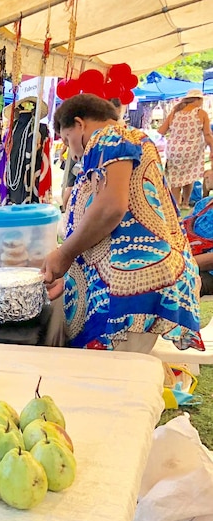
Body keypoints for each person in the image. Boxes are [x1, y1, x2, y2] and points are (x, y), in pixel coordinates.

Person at [42, 94, 203, 353]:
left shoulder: (107, 137)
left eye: (68, 139)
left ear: (80, 124)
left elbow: (110, 208)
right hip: (136, 284)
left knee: (114, 380)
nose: (71, 151)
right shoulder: (128, 139)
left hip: (131, 287)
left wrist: (64, 254)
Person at [158, 89, 213, 210]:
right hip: (192, 151)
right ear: (198, 100)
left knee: (175, 179)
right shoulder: (201, 113)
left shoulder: (174, 112)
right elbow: (207, 134)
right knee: (190, 176)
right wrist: (212, 148)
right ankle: (185, 203)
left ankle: (174, 205)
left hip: (174, 151)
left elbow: (161, 131)